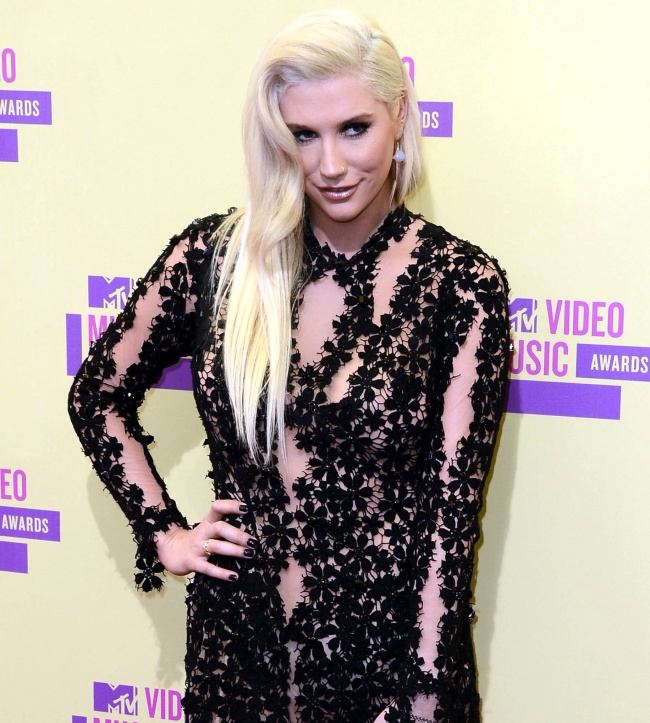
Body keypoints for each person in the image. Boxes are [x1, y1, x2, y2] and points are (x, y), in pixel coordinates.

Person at [68, 9, 510, 723]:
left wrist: (424, 697)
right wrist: (165, 533)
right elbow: (96, 395)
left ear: (400, 115)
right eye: (303, 135)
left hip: (386, 676)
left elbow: (450, 522)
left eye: (354, 128)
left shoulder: (457, 286)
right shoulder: (215, 262)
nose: (330, 165)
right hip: (236, 664)